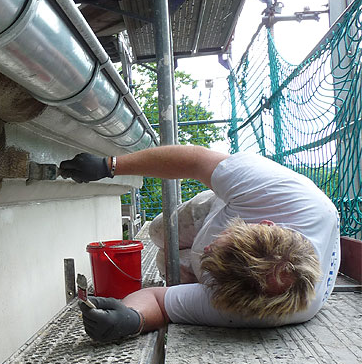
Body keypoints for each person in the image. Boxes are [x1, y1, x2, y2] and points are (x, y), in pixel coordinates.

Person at [59, 145, 340, 343]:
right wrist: (110, 166)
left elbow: (159, 301)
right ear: (265, 224)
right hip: (221, 209)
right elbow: (194, 161)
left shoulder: (250, 306)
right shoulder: (274, 191)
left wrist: (132, 319)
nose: (206, 249)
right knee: (159, 231)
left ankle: (204, 262)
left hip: (236, 278)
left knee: (165, 265)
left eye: (212, 264)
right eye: (217, 246)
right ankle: (196, 239)